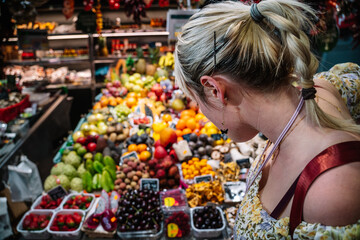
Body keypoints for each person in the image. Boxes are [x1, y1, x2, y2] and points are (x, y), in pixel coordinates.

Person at [174, 0, 360, 239]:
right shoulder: (321, 89)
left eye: (196, 102)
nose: (201, 112)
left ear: (214, 89)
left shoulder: (332, 189)